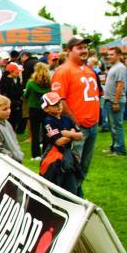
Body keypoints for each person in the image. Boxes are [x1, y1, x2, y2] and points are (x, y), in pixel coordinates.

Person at [50, 36, 100, 196]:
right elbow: (59, 100)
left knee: (84, 166)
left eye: (85, 47)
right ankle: (71, 198)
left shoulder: (89, 70)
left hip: (92, 125)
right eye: (79, 47)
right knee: (73, 166)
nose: (84, 50)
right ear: (69, 50)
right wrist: (74, 123)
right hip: (78, 128)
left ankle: (76, 195)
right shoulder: (63, 71)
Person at [39, 92, 83, 195]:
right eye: (54, 104)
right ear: (46, 108)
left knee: (73, 182)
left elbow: (80, 135)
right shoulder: (48, 121)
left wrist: (66, 133)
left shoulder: (66, 118)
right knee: (54, 186)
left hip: (68, 156)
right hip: (53, 158)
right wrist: (72, 134)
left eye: (59, 102)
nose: (59, 105)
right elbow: (59, 141)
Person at [102, 47, 127, 156]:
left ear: (118, 55)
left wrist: (116, 102)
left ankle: (119, 149)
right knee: (113, 126)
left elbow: (120, 85)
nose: (109, 56)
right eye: (108, 54)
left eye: (112, 54)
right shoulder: (114, 67)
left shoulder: (120, 68)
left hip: (115, 101)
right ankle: (114, 147)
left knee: (117, 126)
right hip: (109, 100)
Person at [23, 62, 51, 161]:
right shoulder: (49, 83)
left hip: (34, 109)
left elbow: (25, 95)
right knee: (46, 131)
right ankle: (46, 153)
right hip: (46, 108)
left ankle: (35, 155)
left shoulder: (31, 83)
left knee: (34, 133)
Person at [0, 62, 23, 132]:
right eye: (16, 72)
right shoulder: (4, 80)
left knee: (15, 120)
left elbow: (19, 90)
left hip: (16, 103)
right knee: (10, 120)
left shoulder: (16, 79)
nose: (18, 73)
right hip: (9, 103)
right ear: (11, 72)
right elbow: (5, 93)